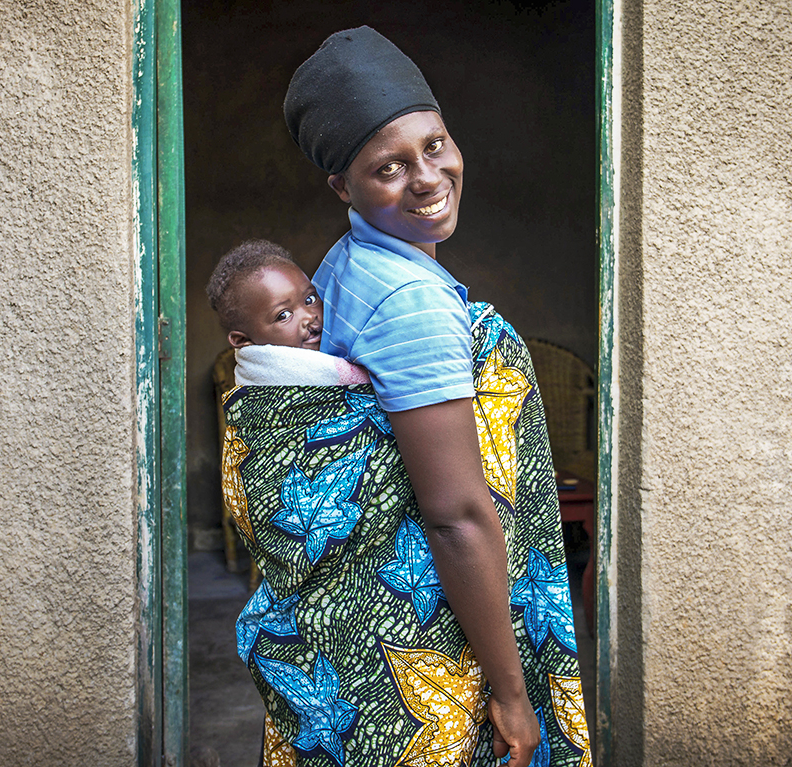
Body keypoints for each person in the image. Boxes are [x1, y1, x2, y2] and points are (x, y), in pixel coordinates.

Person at [222, 27, 591, 767]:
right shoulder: (408, 302)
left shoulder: (347, 263)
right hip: (423, 641)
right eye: (387, 167)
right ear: (342, 186)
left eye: (434, 144)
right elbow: (454, 514)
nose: (427, 177)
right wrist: (513, 694)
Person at [206, 238, 370, 385]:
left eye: (310, 299)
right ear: (242, 339)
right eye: (283, 315)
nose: (309, 316)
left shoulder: (350, 341)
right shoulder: (262, 389)